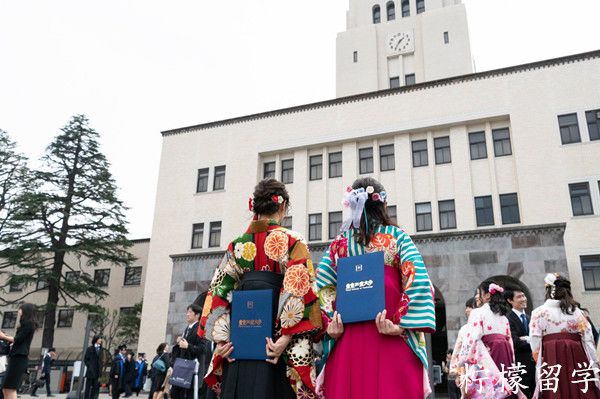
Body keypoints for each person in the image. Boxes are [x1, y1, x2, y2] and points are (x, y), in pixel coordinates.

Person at [199, 178, 322, 399]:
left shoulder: (236, 245)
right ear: (283, 206)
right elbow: (298, 288)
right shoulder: (293, 241)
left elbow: (218, 290)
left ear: (254, 206)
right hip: (277, 346)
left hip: (239, 343)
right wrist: (285, 338)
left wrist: (221, 341)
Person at [315, 177, 436, 399]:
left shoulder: (339, 245)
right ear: (383, 206)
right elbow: (418, 280)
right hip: (389, 331)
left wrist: (329, 323)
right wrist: (401, 324)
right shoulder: (397, 238)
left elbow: (321, 286)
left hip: (346, 337)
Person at [529, 274, 600, 399]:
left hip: (550, 356)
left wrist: (539, 359)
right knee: (579, 387)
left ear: (549, 291)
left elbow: (535, 341)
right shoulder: (576, 311)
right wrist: (594, 361)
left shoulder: (538, 312)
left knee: (555, 388)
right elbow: (588, 338)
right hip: (575, 353)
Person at [457, 280, 517, 399]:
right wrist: (513, 362)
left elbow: (472, 338)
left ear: (487, 295)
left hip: (487, 353)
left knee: (489, 389)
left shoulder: (477, 312)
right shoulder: (503, 317)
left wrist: (463, 359)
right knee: (505, 386)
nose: (477, 297)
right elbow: (510, 342)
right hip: (505, 354)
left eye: (479, 294)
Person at [0, 303, 38, 399]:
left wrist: (4, 336)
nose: (19, 311)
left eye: (20, 309)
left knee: (11, 388)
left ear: (25, 311)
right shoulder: (25, 325)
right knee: (5, 388)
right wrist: (6, 336)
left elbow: (17, 339)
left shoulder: (29, 325)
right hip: (15, 357)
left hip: (19, 358)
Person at [171, 304, 208, 399]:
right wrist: (180, 342)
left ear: (197, 315)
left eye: (190, 312)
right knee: (175, 392)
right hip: (182, 367)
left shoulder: (201, 328)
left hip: (193, 369)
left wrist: (188, 346)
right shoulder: (187, 328)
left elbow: (203, 349)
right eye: (187, 312)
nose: (187, 314)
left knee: (189, 395)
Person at [505, 287, 535, 398]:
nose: (523, 299)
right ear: (510, 300)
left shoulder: (530, 318)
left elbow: (539, 339)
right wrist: (531, 340)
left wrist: (526, 339)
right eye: (519, 297)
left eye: (523, 296)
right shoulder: (508, 319)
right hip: (520, 365)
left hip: (534, 364)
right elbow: (515, 342)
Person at [448, 297, 477, 399]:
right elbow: (458, 353)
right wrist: (458, 374)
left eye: (470, 307)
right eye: (467, 307)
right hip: (467, 369)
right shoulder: (464, 330)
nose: (467, 310)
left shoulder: (483, 326)